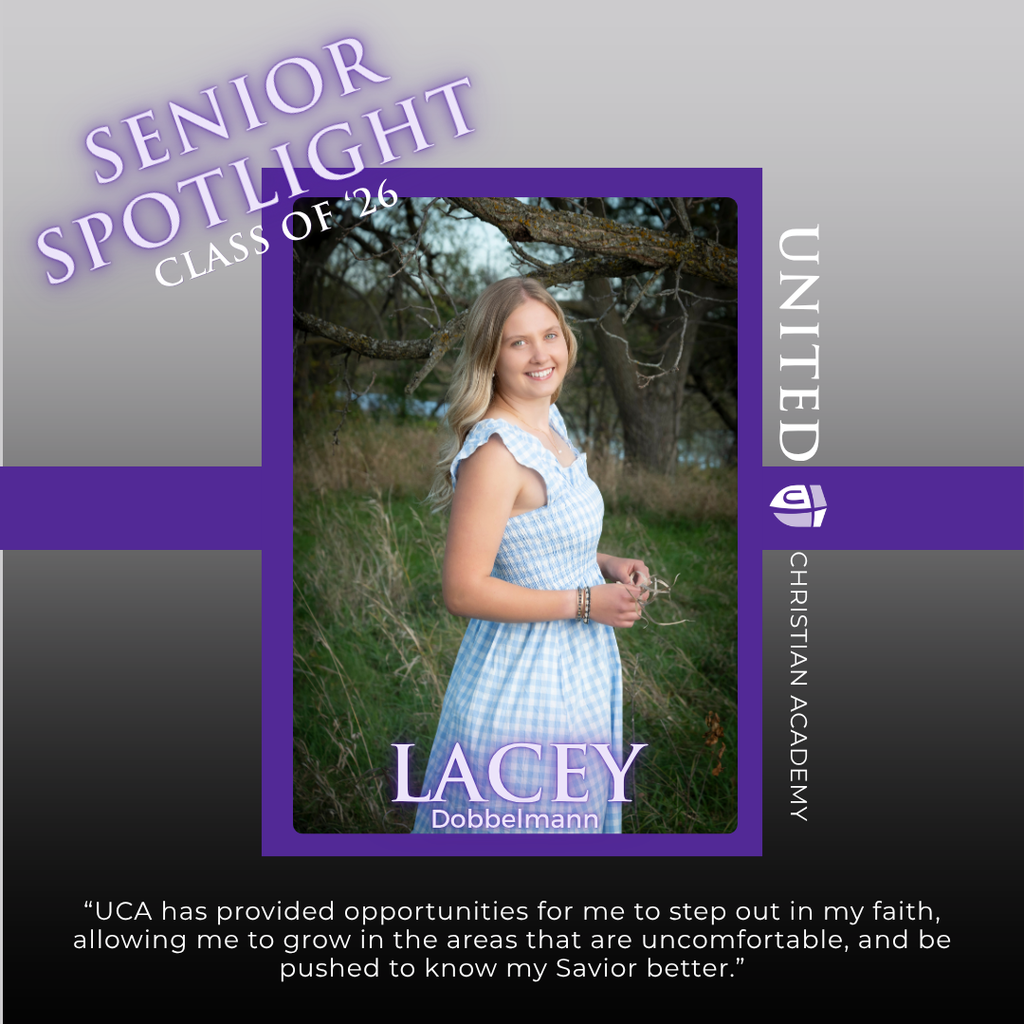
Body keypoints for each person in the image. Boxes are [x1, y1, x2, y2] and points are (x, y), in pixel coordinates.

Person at [411, 278, 650, 834]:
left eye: (549, 335)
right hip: (526, 675)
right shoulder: (496, 454)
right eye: (518, 343)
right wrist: (588, 600)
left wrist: (605, 564)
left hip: (580, 664)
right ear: (490, 357)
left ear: (567, 339)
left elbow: (536, 540)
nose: (541, 354)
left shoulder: (549, 423)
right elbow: (463, 589)